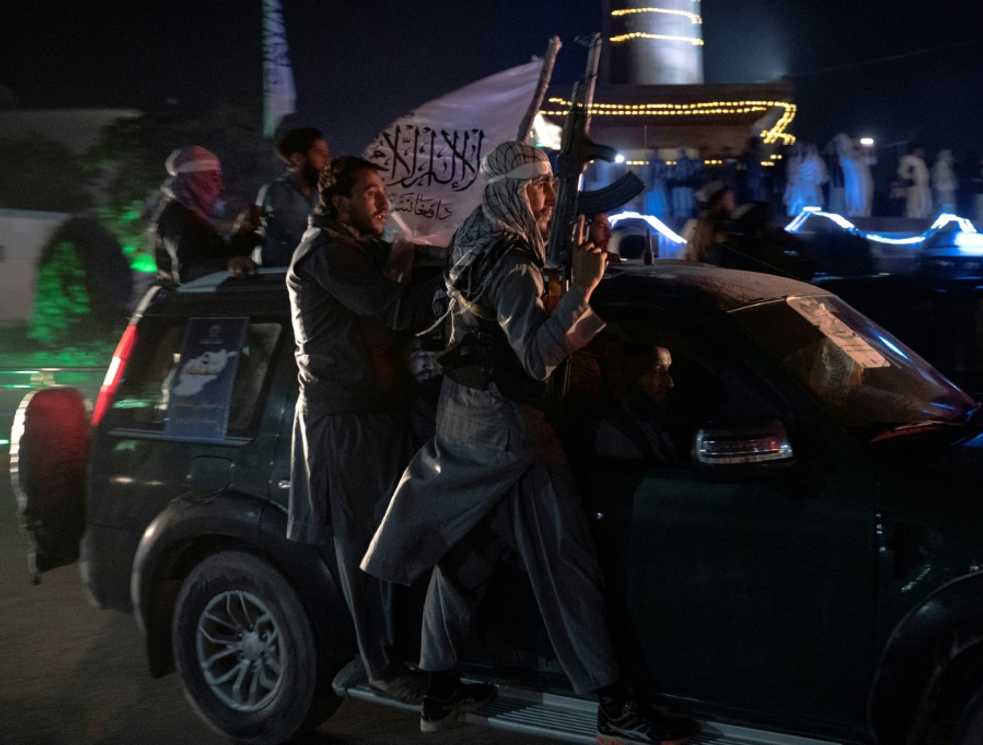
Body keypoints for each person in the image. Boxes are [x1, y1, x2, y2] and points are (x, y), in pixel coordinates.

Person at [362, 142, 697, 743]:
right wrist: (584, 286)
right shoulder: (512, 261)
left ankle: (438, 689)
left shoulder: (475, 233)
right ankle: (614, 703)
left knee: (465, 556)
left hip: (463, 416)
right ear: (512, 191)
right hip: (512, 430)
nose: (548, 199)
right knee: (568, 564)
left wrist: (565, 257)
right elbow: (537, 357)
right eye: (539, 188)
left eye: (550, 186)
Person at [286, 156, 442, 703]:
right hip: (346, 420)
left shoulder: (352, 247)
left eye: (383, 191)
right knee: (361, 544)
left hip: (375, 413)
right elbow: (390, 308)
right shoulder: (326, 254)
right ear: (339, 201)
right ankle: (379, 666)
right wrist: (462, 285)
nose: (383, 202)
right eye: (371, 192)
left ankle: (398, 655)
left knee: (388, 536)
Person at [149, 146, 256, 285]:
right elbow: (188, 272)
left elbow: (213, 256)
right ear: (194, 180)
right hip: (184, 303)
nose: (219, 185)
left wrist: (243, 234)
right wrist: (229, 264)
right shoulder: (178, 216)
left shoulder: (194, 214)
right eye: (213, 177)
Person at [258, 127, 331, 267]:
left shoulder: (325, 193)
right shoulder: (275, 192)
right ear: (297, 158)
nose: (327, 159)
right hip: (279, 275)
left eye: (326, 152)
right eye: (319, 152)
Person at [594, 344, 677, 462]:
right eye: (657, 370)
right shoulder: (616, 431)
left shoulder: (655, 422)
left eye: (668, 370)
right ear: (632, 375)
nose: (670, 383)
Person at [683, 185, 735, 262]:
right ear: (718, 203)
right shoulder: (699, 225)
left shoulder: (728, 227)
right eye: (729, 200)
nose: (733, 204)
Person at [784, 142, 828, 217]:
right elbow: (792, 172)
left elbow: (819, 175)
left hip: (808, 184)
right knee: (800, 201)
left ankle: (806, 216)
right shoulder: (794, 159)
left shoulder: (815, 160)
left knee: (808, 201)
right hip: (799, 184)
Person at [897, 144, 932, 219]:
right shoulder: (908, 159)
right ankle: (913, 226)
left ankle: (922, 225)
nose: (922, 152)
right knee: (914, 208)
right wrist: (913, 178)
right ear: (915, 151)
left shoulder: (922, 162)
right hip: (914, 188)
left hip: (924, 189)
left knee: (924, 208)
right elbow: (901, 172)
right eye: (920, 150)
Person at [670, 147, 702, 225]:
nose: (679, 154)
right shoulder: (678, 161)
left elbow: (691, 172)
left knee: (686, 202)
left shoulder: (688, 161)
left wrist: (685, 178)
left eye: (680, 152)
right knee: (681, 201)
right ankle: (681, 218)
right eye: (679, 152)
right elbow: (675, 173)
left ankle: (687, 218)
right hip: (680, 185)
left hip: (686, 185)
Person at [933, 149, 957, 214]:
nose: (951, 158)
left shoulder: (946, 165)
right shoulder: (941, 165)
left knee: (948, 206)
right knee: (946, 207)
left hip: (947, 189)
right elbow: (942, 178)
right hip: (944, 190)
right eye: (949, 156)